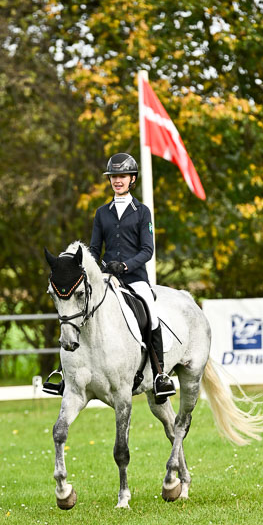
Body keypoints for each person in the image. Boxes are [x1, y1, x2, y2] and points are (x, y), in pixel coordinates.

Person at [89, 152, 176, 402]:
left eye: (123, 176)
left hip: (135, 278)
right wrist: (97, 265)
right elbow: (94, 248)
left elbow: (147, 250)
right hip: (107, 278)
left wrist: (126, 266)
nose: (117, 181)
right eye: (114, 177)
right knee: (82, 308)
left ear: (132, 179)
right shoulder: (102, 213)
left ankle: (160, 375)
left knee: (152, 315)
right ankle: (66, 371)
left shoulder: (142, 212)